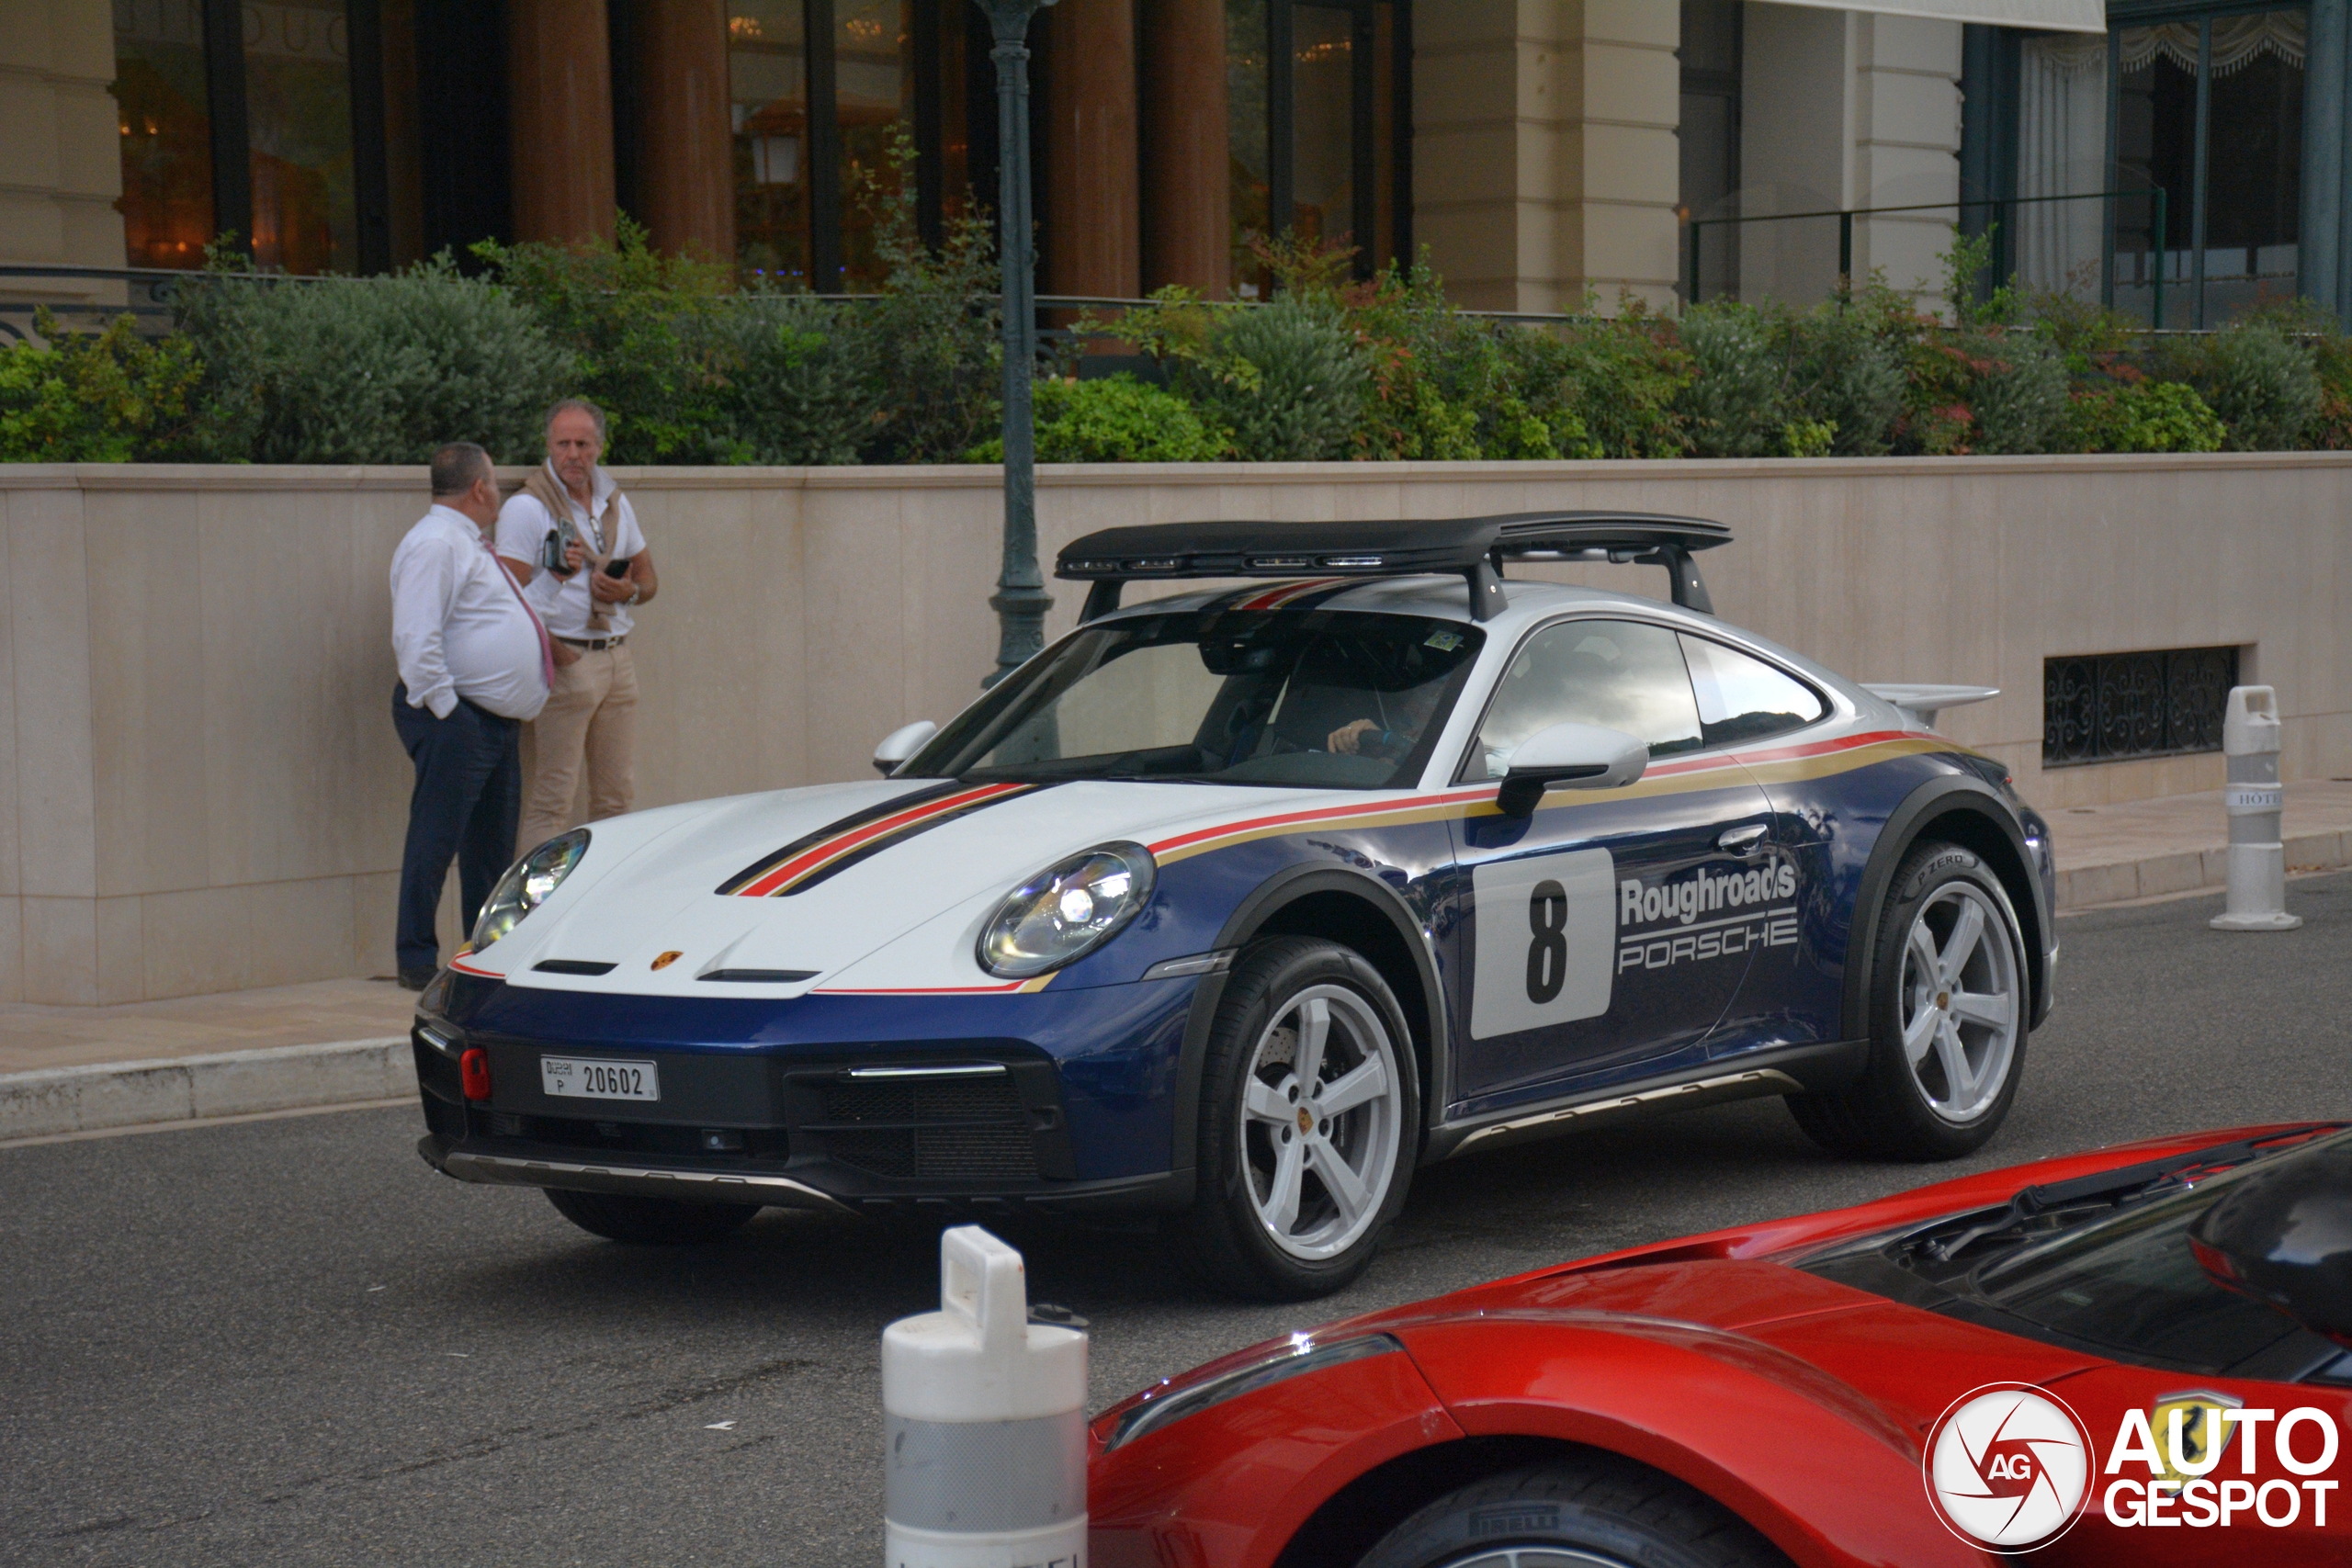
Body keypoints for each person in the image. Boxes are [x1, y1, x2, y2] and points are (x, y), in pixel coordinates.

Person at [388, 442, 573, 989]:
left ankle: (488, 954)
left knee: (491, 848)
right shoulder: (436, 544)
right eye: (495, 481)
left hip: (492, 722)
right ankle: (416, 957)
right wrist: (449, 711)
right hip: (457, 718)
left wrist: (554, 577)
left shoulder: (470, 546)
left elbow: (507, 615)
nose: (499, 491)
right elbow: (414, 638)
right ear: (478, 489)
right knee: (436, 837)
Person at [496, 398, 660, 854]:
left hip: (616, 657)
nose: (573, 454)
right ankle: (539, 911)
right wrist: (553, 648)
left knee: (617, 797)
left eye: (583, 444)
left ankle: (606, 903)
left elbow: (649, 580)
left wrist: (625, 593)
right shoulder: (528, 509)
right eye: (563, 443)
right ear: (548, 445)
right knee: (553, 800)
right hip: (566, 660)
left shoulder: (614, 503)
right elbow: (504, 598)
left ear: (599, 447)